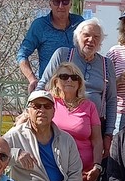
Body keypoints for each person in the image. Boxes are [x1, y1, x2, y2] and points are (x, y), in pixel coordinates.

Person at [38, 18, 117, 155]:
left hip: (96, 127)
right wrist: (29, 111)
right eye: (86, 35)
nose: (91, 40)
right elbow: (43, 85)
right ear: (77, 37)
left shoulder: (106, 64)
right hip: (62, 123)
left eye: (96, 37)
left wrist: (108, 134)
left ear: (100, 41)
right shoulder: (63, 54)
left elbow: (111, 100)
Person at [47, 61, 103, 181]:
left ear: (80, 83)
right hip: (56, 173)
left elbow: (97, 140)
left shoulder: (89, 106)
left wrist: (97, 166)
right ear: (56, 81)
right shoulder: (49, 104)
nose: (69, 80)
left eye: (74, 77)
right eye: (64, 76)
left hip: (84, 173)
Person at [17, 0, 84, 90]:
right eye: (56, 2)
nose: (61, 6)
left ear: (71, 3)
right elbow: (22, 54)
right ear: (50, 4)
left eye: (65, 2)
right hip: (51, 88)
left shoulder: (80, 23)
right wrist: (32, 79)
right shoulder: (40, 25)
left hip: (76, 88)